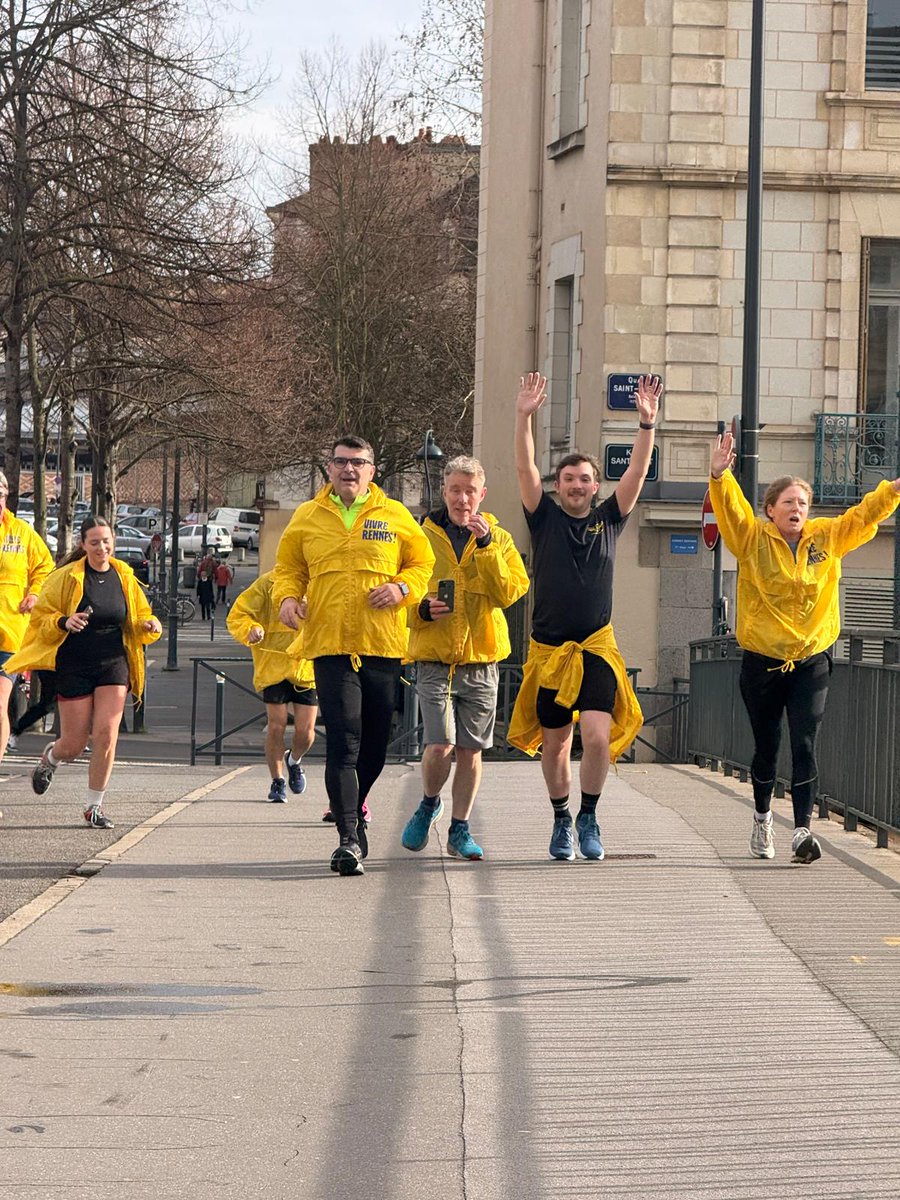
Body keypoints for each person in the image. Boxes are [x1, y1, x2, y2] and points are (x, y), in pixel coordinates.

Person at [709, 430, 900, 864]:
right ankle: (762, 819)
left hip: (811, 660)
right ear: (771, 509)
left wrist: (891, 490)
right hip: (762, 662)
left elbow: (860, 517)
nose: (797, 509)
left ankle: (801, 832)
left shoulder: (825, 538)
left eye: (802, 503)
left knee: (805, 743)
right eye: (788, 502)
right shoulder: (752, 540)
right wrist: (720, 477)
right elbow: (732, 514)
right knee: (767, 746)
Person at [508, 372, 657, 861]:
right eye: (568, 479)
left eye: (584, 479)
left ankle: (588, 815)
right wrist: (523, 416)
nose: (576, 485)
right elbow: (524, 466)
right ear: (558, 486)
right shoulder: (543, 517)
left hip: (595, 647)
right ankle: (560, 821)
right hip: (550, 650)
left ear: (596, 486)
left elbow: (636, 473)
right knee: (554, 745)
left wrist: (646, 425)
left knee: (597, 736)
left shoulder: (609, 518)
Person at [274, 435, 434, 876]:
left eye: (358, 462)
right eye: (341, 462)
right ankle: (347, 838)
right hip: (330, 644)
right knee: (344, 740)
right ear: (329, 468)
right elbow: (289, 569)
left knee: (375, 744)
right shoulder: (307, 516)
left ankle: (356, 807)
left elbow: (423, 564)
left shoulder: (394, 514)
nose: (349, 469)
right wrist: (287, 598)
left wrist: (401, 588)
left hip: (381, 644)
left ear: (372, 470)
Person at [401, 455, 529, 860]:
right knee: (440, 744)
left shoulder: (500, 539)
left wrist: (487, 547)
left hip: (481, 661)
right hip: (434, 660)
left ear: (482, 494)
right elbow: (398, 593)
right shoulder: (419, 536)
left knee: (472, 751)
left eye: (470, 491)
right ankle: (428, 803)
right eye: (455, 490)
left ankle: (460, 829)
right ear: (444, 491)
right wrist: (421, 610)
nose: (462, 499)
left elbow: (510, 593)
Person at [5, 516, 162, 829]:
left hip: (113, 663)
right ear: (83, 545)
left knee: (106, 734)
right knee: (73, 744)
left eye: (106, 541)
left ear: (113, 542)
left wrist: (149, 624)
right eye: (95, 542)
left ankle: (94, 807)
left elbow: (139, 615)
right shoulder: (66, 577)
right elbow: (41, 618)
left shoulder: (124, 575)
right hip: (74, 664)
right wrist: (64, 621)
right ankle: (51, 757)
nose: (102, 548)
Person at [227, 570, 318, 802]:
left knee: (306, 733)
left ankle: (294, 760)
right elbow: (238, 613)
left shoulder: (318, 580)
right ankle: (277, 781)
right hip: (273, 666)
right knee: (276, 725)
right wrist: (251, 629)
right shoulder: (268, 583)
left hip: (306, 666)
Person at [0, 471, 54, 818]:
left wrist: (34, 593)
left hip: (9, 632)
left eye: (0, 492)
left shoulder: (21, 532)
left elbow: (45, 566)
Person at [7, 669, 57, 749]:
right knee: (47, 704)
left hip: (64, 668)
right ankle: (15, 731)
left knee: (50, 703)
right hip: (52, 668)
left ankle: (71, 738)